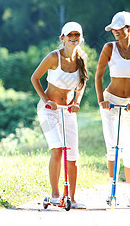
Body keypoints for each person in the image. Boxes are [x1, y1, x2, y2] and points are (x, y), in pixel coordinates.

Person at [95, 11, 130, 208]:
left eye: (119, 28)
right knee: (113, 146)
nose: (115, 32)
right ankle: (112, 192)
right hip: (110, 101)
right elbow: (98, 76)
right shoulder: (109, 48)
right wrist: (101, 100)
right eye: (113, 29)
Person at [31, 22, 88, 209]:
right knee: (57, 149)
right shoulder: (53, 57)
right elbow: (35, 78)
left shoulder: (82, 57)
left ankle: (72, 197)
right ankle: (55, 195)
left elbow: (82, 83)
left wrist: (77, 102)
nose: (73, 37)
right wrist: (46, 100)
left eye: (77, 34)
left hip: (68, 112)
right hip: (47, 111)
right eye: (69, 34)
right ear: (62, 38)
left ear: (80, 37)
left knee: (73, 156)